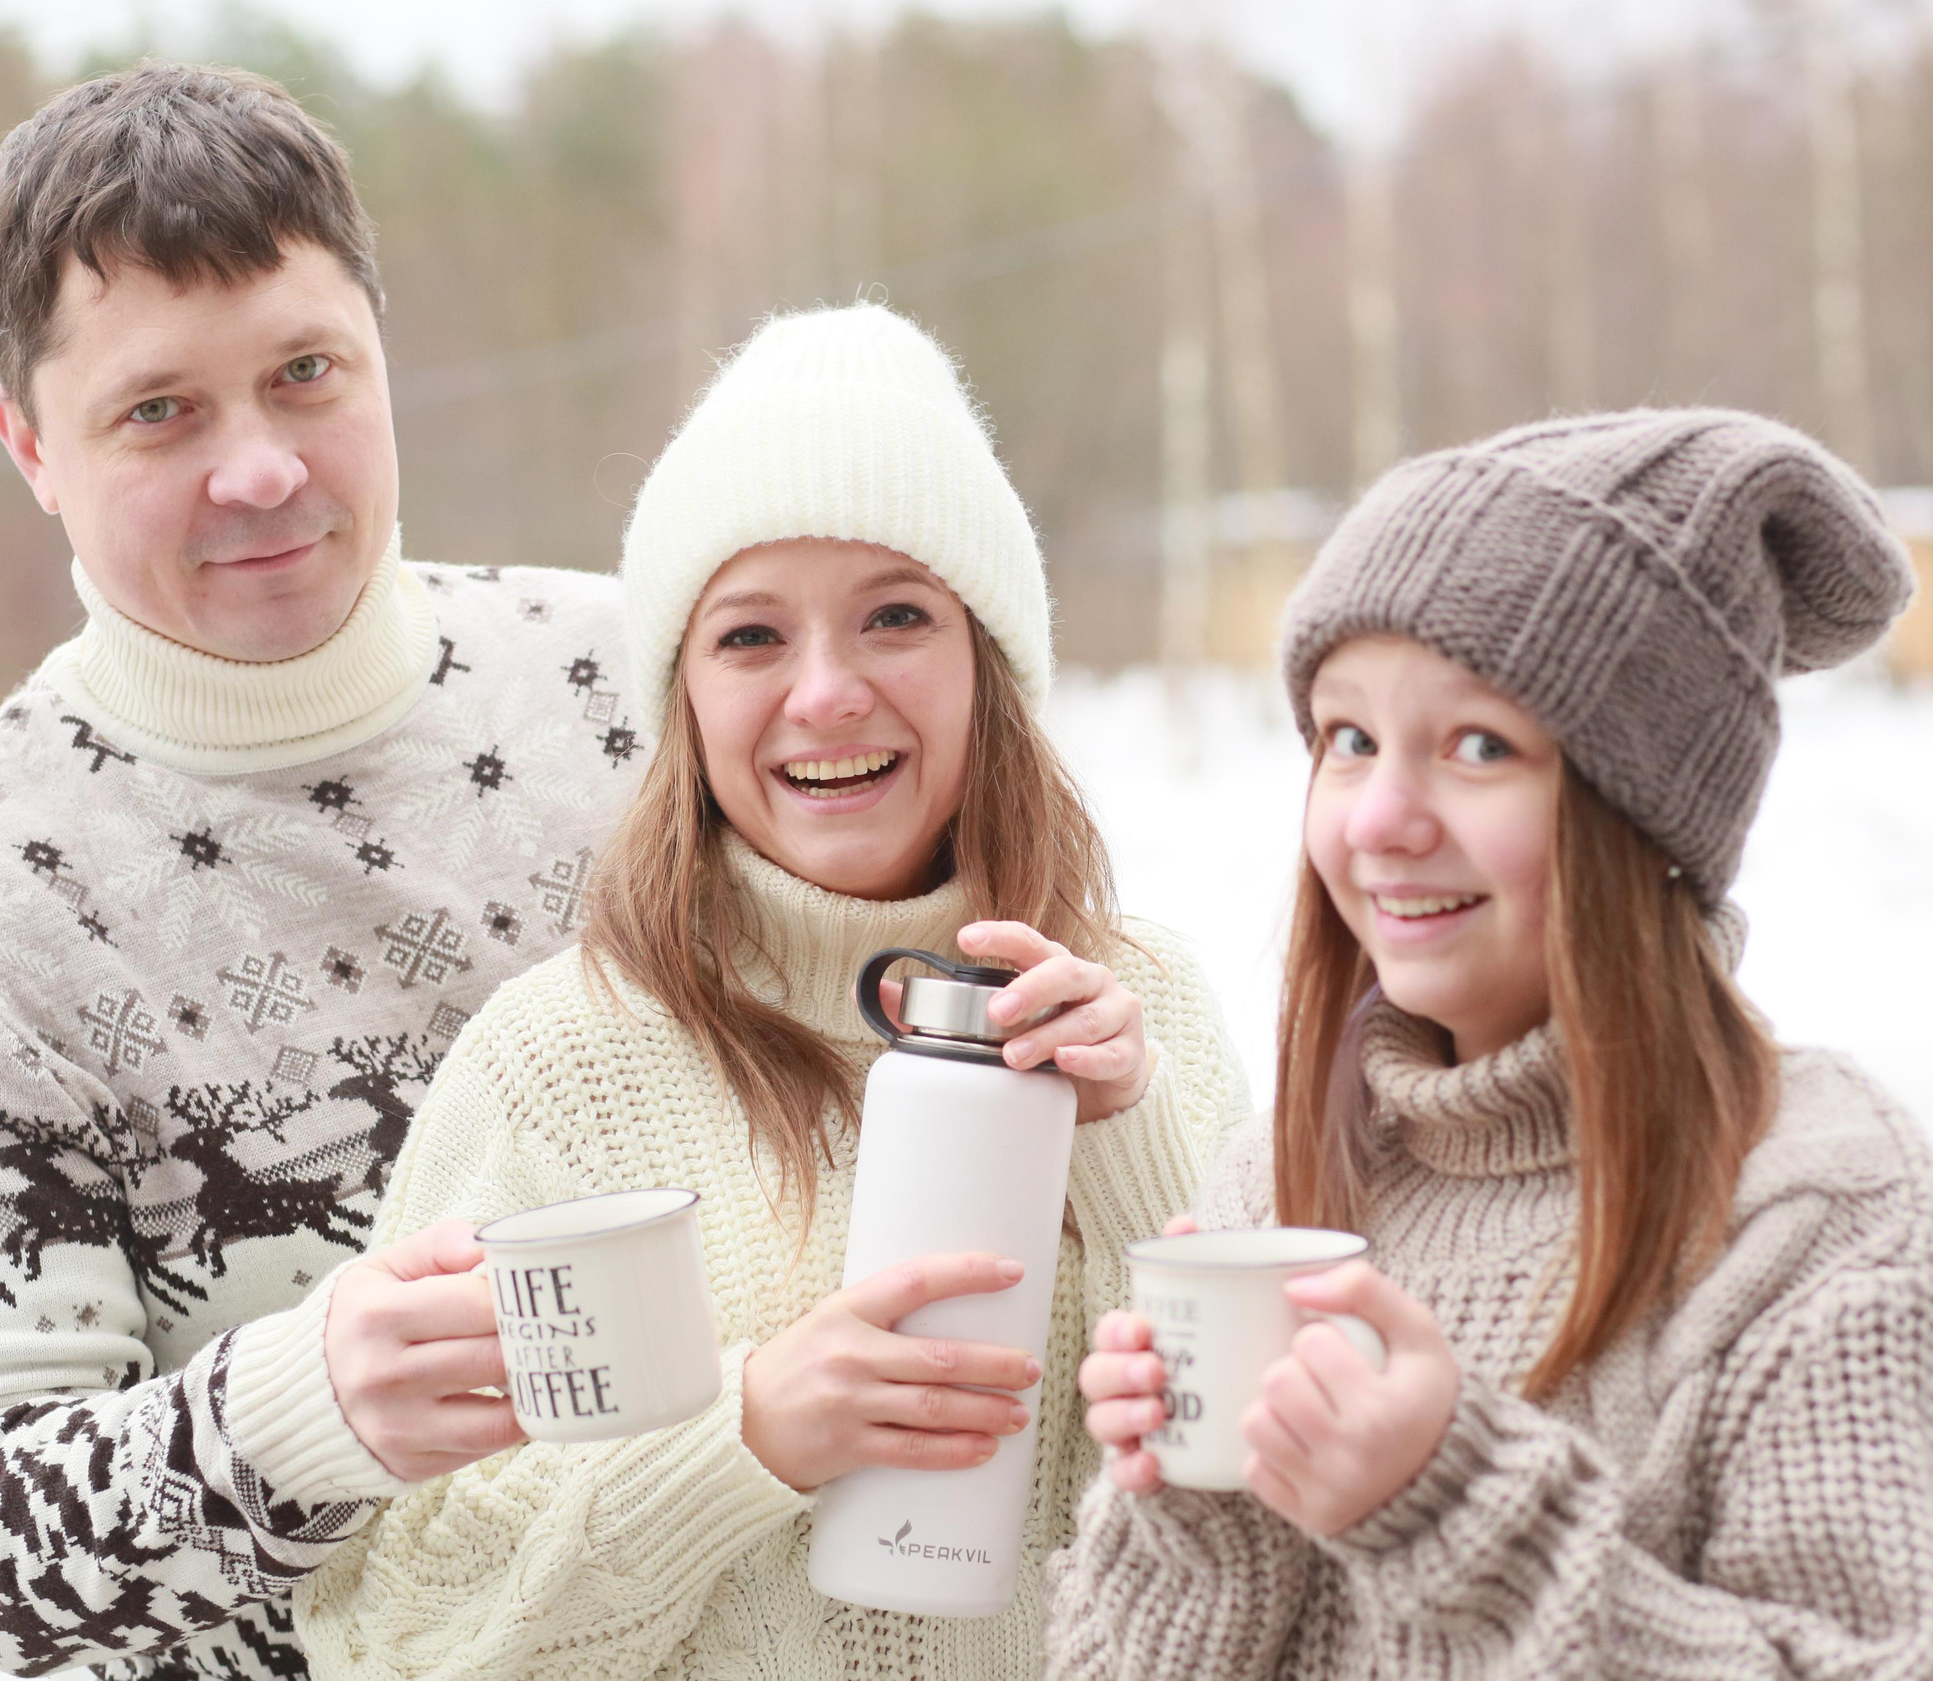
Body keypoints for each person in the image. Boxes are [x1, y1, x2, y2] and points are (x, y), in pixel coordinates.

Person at [0, 63, 641, 1679]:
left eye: (306, 373)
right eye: (159, 411)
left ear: (386, 355)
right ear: (28, 443)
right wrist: (303, 1413)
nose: (256, 469)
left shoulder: (648, 687)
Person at [290, 303, 1247, 1679]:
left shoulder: (1145, 1011)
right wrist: (746, 1437)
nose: (827, 692)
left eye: (897, 616)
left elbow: (1280, 1532)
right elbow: (393, 1630)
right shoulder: (557, 1065)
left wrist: (1127, 1140)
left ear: (990, 660)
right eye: (750, 636)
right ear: (681, 691)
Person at [1048, 410, 1933, 1677]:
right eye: (1347, 740)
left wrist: (1457, 1515)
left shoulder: (1817, 1221)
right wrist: (1202, 1515)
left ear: (1645, 810)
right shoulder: (1285, 1187)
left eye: (1478, 746)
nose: (1382, 819)